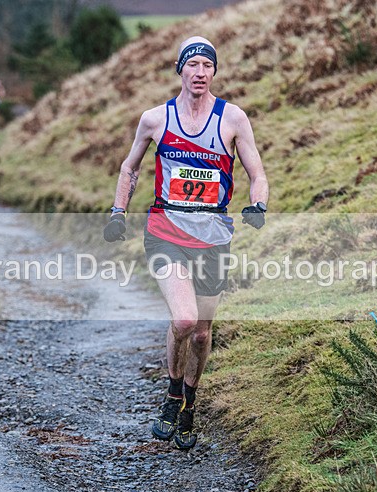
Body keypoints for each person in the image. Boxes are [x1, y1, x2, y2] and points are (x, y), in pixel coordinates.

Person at [103, 36, 269, 450]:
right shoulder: (155, 119)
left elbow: (257, 171)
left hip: (213, 237)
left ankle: (190, 405)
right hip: (166, 232)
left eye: (207, 66)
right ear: (180, 70)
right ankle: (173, 395)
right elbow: (129, 168)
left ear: (214, 72)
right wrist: (118, 212)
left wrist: (258, 204)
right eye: (192, 65)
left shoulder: (232, 119)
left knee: (201, 333)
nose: (200, 72)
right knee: (184, 321)